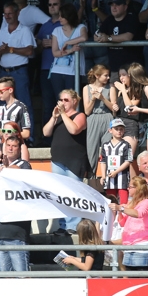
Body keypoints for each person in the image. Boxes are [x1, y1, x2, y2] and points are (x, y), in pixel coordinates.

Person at [0, 134, 32, 272]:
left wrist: (4, 167)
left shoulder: (23, 164)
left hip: (17, 232)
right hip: (1, 232)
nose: (10, 148)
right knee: (5, 278)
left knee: (21, 275)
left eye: (14, 146)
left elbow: (21, 172)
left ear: (19, 149)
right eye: (8, 145)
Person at [42, 89, 88, 233]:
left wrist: (62, 113)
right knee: (60, 194)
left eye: (66, 100)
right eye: (61, 100)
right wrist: (54, 117)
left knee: (73, 193)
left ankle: (73, 225)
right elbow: (45, 132)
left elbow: (74, 130)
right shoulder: (59, 116)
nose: (63, 103)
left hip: (74, 159)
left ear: (75, 101)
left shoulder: (80, 115)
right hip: (58, 159)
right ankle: (62, 225)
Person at [49, 3, 88, 100]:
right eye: (59, 16)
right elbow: (55, 53)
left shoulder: (80, 27)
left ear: (69, 16)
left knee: (72, 100)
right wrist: (71, 50)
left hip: (73, 71)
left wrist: (67, 42)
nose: (60, 18)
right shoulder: (56, 30)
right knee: (60, 101)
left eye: (62, 16)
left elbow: (84, 37)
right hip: (57, 70)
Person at [118, 176, 148, 271]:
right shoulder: (131, 203)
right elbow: (122, 223)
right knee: (131, 281)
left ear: (137, 188)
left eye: (130, 187)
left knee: (142, 282)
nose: (128, 189)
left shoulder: (146, 202)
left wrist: (122, 209)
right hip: (129, 246)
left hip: (142, 247)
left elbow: (139, 214)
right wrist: (119, 211)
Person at [82, 65, 118, 167]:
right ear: (97, 76)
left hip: (107, 117)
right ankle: (91, 176)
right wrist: (93, 98)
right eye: (105, 75)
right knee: (91, 150)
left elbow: (114, 108)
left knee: (108, 149)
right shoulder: (86, 88)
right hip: (93, 118)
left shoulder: (111, 87)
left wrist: (102, 98)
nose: (108, 77)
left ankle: (109, 175)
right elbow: (87, 111)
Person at [99, 119, 133, 204]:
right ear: (110, 130)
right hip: (109, 179)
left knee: (123, 204)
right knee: (110, 203)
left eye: (121, 129)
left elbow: (128, 161)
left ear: (124, 130)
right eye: (116, 129)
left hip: (123, 178)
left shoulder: (127, 145)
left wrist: (116, 172)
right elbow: (102, 161)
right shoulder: (105, 145)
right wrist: (103, 176)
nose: (119, 131)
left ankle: (122, 217)